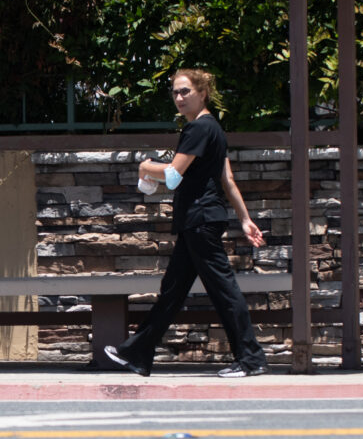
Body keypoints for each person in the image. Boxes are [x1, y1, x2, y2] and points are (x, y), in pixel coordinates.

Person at [96, 69, 269, 378]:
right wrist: (245, 218)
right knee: (173, 291)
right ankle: (137, 352)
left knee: (224, 290)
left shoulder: (199, 129)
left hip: (200, 220)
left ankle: (251, 358)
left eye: (185, 91)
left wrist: (145, 166)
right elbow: (226, 180)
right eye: (175, 92)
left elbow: (174, 175)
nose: (178, 97)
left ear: (202, 93)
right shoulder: (213, 129)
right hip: (200, 220)